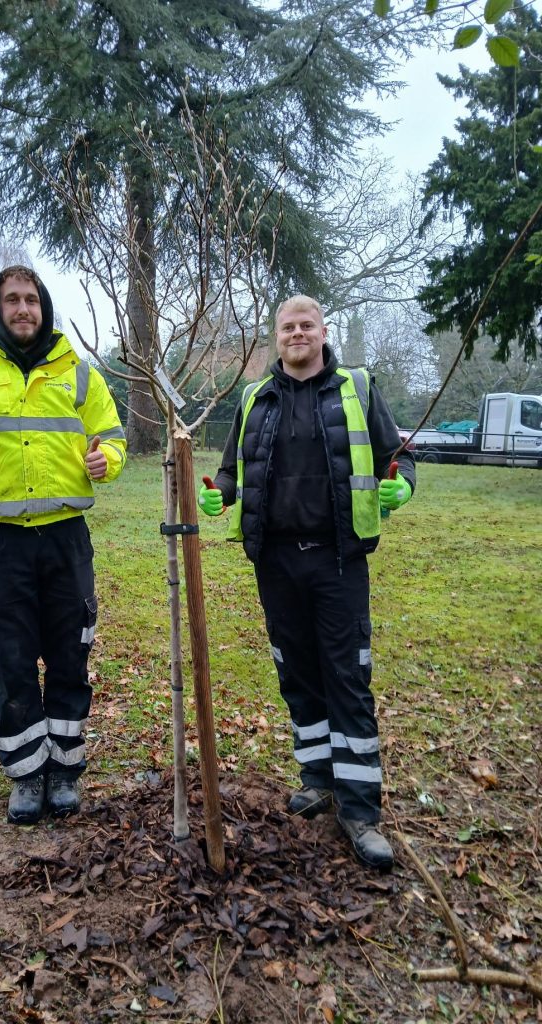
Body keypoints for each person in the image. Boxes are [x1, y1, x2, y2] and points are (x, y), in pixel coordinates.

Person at [198, 295, 414, 869]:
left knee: (346, 674)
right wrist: (220, 493)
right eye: (287, 327)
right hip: (275, 562)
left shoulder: (358, 388)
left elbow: (400, 458)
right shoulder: (254, 398)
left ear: (323, 332)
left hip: (338, 559)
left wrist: (404, 487)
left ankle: (361, 809)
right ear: (276, 337)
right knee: (297, 671)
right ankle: (317, 779)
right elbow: (228, 468)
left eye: (307, 325)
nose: (297, 334)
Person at [0, 266, 126, 826]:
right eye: (11, 300)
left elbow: (112, 433)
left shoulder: (79, 373)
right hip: (1, 543)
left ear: (44, 307)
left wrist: (107, 458)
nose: (22, 310)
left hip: (65, 538)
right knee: (10, 658)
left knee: (69, 651)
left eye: (30, 300)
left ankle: (64, 769)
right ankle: (26, 774)